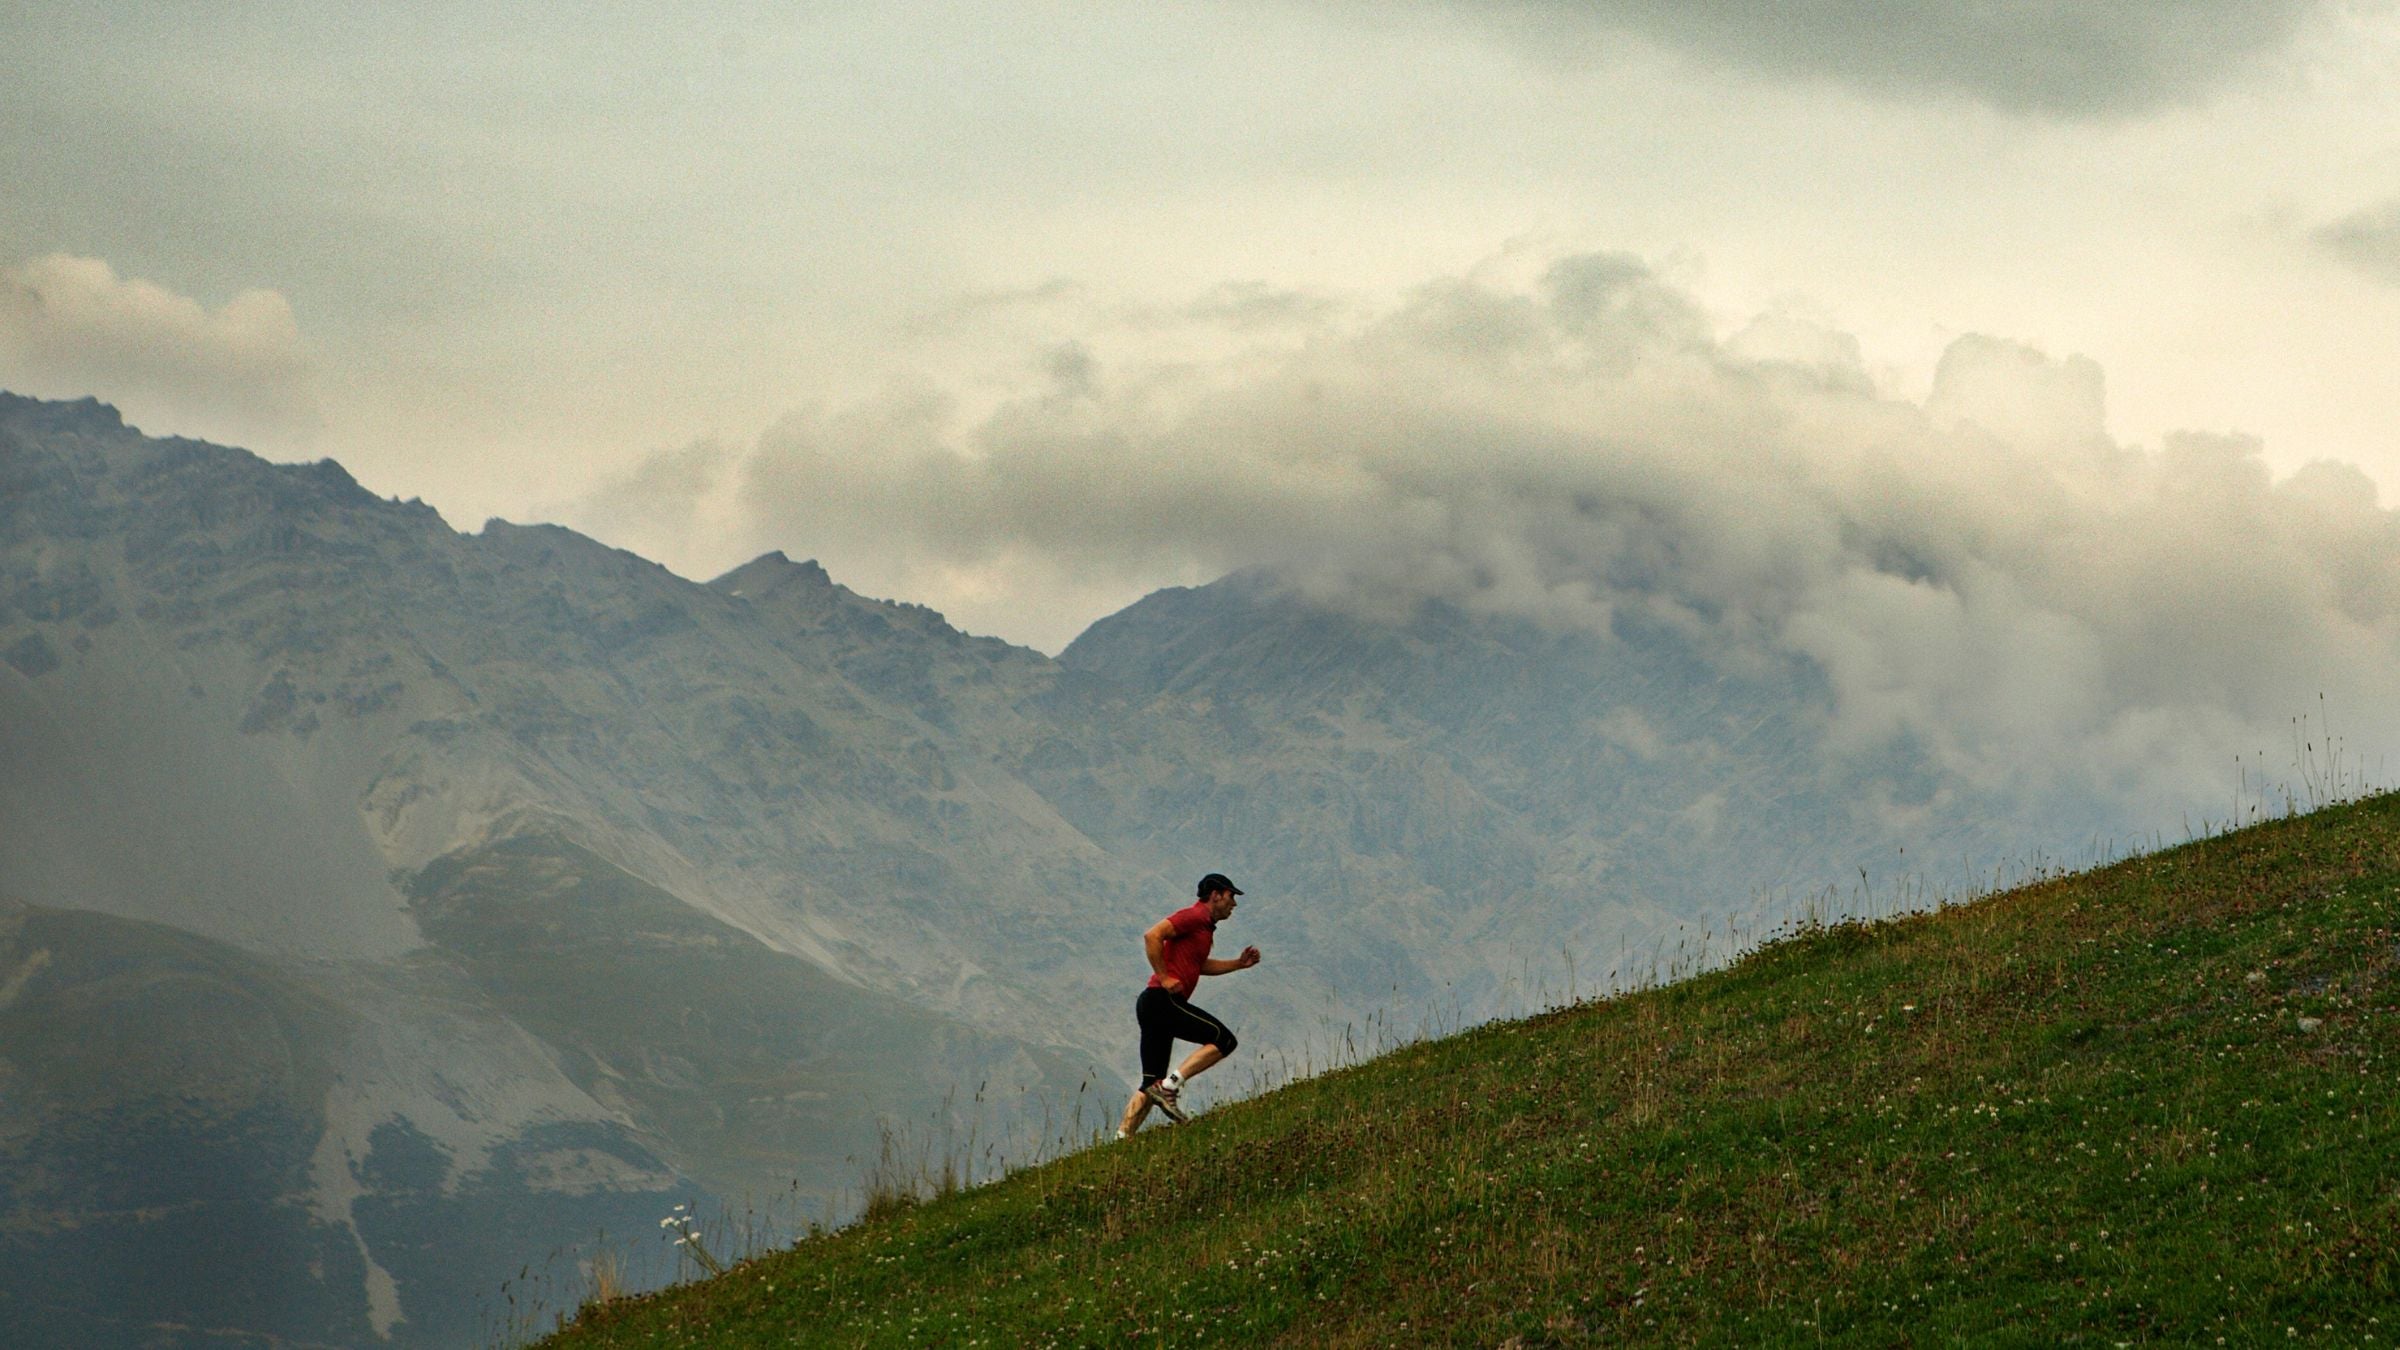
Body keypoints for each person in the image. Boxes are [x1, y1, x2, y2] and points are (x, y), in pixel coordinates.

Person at [1117, 872, 1261, 1136]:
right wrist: (1164, 976)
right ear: (1215, 895)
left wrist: (1238, 964)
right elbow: (1152, 936)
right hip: (1162, 1000)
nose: (1234, 904)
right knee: (1223, 1040)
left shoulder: (1204, 930)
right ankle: (1171, 1086)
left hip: (1152, 1003)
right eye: (1231, 897)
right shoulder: (1194, 917)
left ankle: (1120, 1139)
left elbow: (1199, 965)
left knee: (1150, 1083)